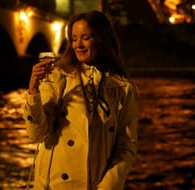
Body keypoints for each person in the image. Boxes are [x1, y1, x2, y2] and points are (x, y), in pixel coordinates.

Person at [23, 10, 138, 190]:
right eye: (74, 38)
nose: (79, 45)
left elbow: (126, 146)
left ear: (102, 38)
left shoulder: (123, 88)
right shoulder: (57, 77)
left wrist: (108, 186)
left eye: (85, 37)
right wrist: (33, 93)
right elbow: (37, 135)